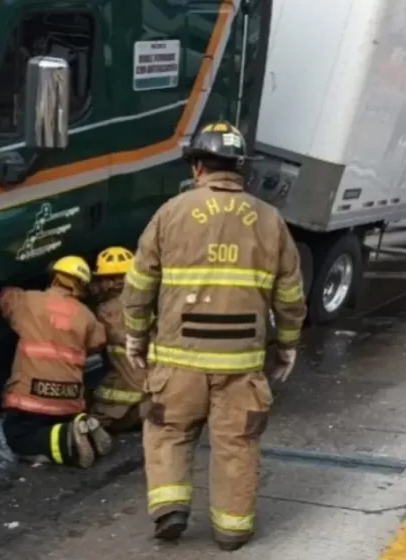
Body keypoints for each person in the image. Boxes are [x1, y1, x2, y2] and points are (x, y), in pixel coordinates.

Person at [121, 121, 308, 551]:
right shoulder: (270, 220)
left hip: (178, 359)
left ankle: (170, 509)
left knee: (167, 430)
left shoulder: (171, 213)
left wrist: (135, 336)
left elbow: (140, 283)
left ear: (199, 166)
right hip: (241, 365)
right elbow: (290, 294)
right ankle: (232, 529)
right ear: (240, 168)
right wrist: (288, 344)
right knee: (236, 443)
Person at [0, 255, 112, 468]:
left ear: (55, 277)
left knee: (18, 436)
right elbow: (99, 341)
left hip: (31, 398)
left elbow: (4, 297)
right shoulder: (86, 316)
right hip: (69, 401)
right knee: (51, 425)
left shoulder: (28, 301)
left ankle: (68, 438)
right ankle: (77, 424)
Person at [88, 246, 145, 433]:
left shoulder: (106, 310)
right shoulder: (149, 301)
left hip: (124, 405)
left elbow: (92, 343)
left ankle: (90, 430)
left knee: (87, 411)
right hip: (157, 399)